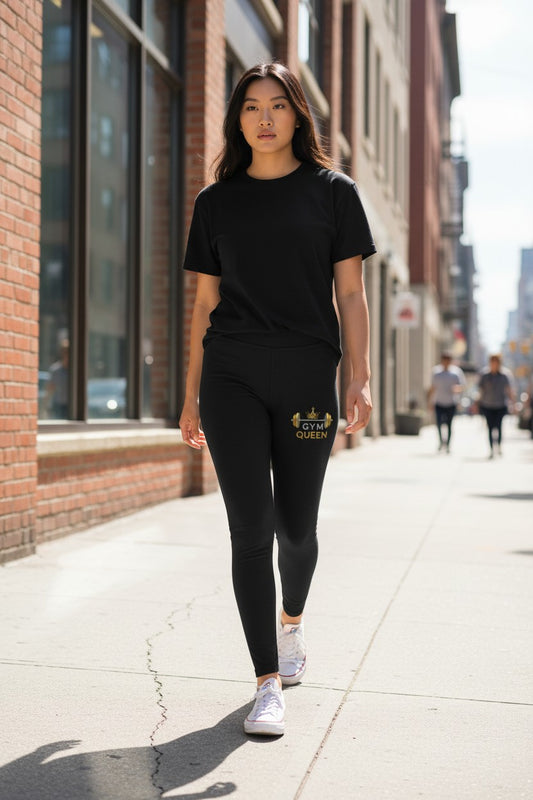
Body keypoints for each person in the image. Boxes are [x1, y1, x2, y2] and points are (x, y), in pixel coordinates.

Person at [178, 62, 375, 736]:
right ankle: (266, 681)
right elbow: (204, 302)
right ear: (236, 119)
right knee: (249, 529)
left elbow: (349, 292)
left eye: (278, 105)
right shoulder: (216, 202)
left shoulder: (333, 193)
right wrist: (188, 396)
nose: (264, 118)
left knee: (296, 529)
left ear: (297, 115)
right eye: (251, 107)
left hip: (303, 375)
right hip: (229, 373)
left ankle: (290, 621)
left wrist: (359, 375)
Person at [427, 352, 466, 453]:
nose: (446, 362)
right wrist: (430, 402)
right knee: (439, 424)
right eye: (444, 360)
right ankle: (441, 442)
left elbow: (462, 387)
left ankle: (448, 444)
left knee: (449, 425)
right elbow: (432, 388)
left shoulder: (456, 372)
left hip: (451, 403)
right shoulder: (436, 372)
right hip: (439, 402)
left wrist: (456, 389)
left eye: (448, 360)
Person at [478, 354, 515, 458]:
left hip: (501, 405)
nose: (494, 364)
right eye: (492, 362)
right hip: (487, 405)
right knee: (490, 428)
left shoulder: (505, 375)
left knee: (498, 427)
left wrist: (513, 403)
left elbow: (509, 390)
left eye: (496, 362)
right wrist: (477, 404)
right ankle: (491, 450)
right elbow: (481, 391)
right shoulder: (484, 375)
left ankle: (498, 446)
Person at [47, 339, 69, 419]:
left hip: (70, 405)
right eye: (65, 352)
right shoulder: (55, 370)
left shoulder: (75, 371)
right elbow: (50, 389)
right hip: (58, 405)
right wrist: (47, 406)